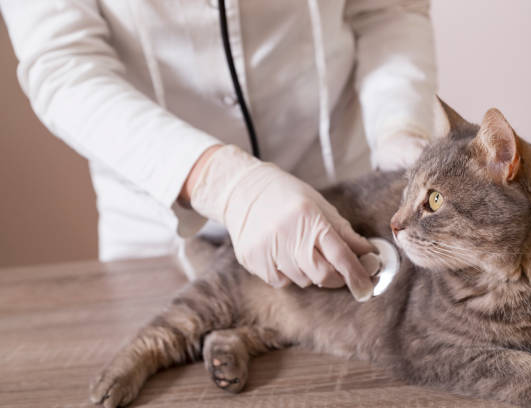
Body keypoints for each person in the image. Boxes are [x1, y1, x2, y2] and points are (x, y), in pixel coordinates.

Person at [0, 1, 437, 301]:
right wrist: (226, 185)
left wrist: (399, 124)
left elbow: (388, 10)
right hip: (157, 216)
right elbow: (64, 66)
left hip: (347, 198)